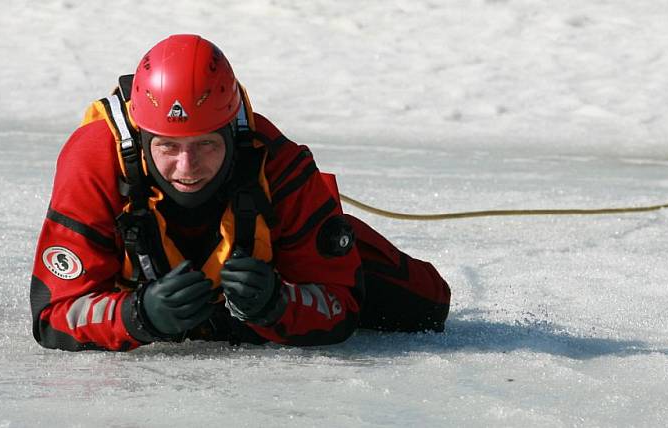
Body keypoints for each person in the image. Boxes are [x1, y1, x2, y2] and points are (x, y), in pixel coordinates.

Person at [30, 34, 451, 351]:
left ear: (232, 132)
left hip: (280, 263)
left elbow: (339, 300)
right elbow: (53, 313)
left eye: (205, 145)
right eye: (168, 147)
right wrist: (137, 315)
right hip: (139, 287)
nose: (187, 168)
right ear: (142, 140)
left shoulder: (278, 160)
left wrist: (278, 303)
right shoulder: (93, 159)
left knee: (427, 306)